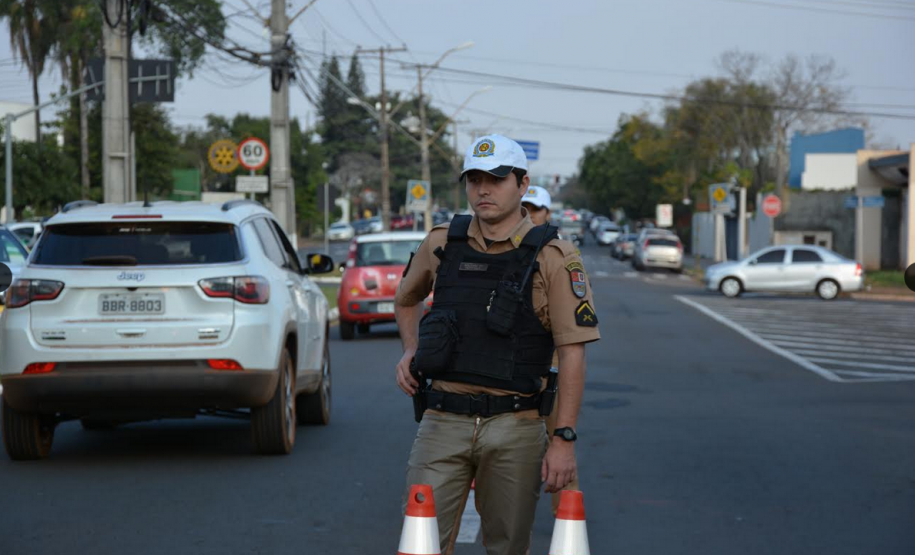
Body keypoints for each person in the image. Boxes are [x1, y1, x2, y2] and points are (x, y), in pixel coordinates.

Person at [394, 135, 600, 555]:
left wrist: (563, 439)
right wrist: (410, 350)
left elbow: (573, 350)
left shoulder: (554, 256)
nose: (483, 189)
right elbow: (406, 298)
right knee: (419, 542)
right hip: (442, 420)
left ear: (522, 185)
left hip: (516, 426)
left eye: (496, 178)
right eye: (474, 179)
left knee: (507, 547)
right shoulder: (441, 243)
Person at [522, 184, 580, 516]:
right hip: (511, 372)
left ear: (547, 214)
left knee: (560, 453)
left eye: (535, 210)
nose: (528, 216)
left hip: (552, 371)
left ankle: (566, 525)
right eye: (524, 208)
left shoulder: (560, 255)